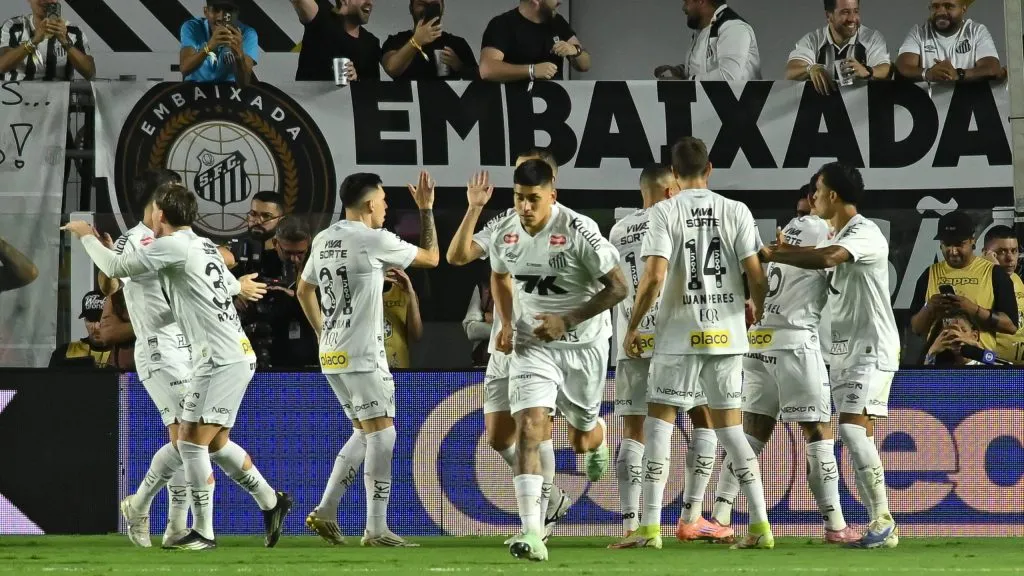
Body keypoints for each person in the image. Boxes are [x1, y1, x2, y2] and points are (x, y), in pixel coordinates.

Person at [63, 184, 291, 551]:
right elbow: (113, 280)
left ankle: (190, 527)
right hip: (185, 351)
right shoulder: (196, 243)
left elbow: (116, 267)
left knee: (190, 442)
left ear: (160, 213)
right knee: (207, 441)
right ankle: (266, 502)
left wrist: (85, 235)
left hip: (216, 355)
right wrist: (237, 286)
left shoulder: (170, 244)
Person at [615, 137, 771, 550]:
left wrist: (633, 326)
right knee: (732, 432)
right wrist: (754, 305)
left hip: (678, 336)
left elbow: (654, 276)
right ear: (710, 169)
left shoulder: (666, 211)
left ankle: (649, 528)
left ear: (674, 172)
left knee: (659, 427)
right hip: (726, 336)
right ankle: (760, 525)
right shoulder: (736, 210)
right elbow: (756, 273)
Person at [487, 159, 626, 562]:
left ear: (552, 194)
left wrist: (567, 320)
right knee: (530, 426)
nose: (525, 207)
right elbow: (499, 276)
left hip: (583, 346)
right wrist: (508, 323)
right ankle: (533, 532)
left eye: (533, 198)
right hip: (533, 345)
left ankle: (596, 433)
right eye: (519, 197)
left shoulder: (579, 231)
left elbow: (619, 288)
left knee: (580, 440)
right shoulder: (505, 231)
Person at [706, 188, 861, 544]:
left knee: (751, 433)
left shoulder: (790, 229)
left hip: (758, 342)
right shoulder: (824, 232)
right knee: (818, 433)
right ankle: (836, 525)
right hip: (795, 343)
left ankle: (720, 516)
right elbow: (835, 267)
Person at [760, 162, 900, 549]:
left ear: (833, 195)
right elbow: (819, 255)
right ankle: (881, 525)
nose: (814, 197)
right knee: (858, 434)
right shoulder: (835, 233)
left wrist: (777, 254)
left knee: (852, 430)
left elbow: (828, 258)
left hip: (872, 347)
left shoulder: (864, 232)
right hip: (841, 351)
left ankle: (884, 519)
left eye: (818, 191)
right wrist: (783, 252)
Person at [297, 172, 439, 547]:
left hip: (332, 354)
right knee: (383, 434)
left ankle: (327, 510)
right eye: (384, 200)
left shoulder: (324, 239)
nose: (386, 206)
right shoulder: (374, 239)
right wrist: (426, 210)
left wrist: (322, 332)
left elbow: (304, 290)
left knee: (364, 432)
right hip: (362, 354)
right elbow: (432, 258)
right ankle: (376, 529)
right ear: (369, 203)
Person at [445, 150, 574, 544]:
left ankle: (537, 524)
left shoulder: (570, 227)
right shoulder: (506, 222)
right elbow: (457, 256)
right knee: (499, 437)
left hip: (542, 345)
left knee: (535, 429)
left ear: (550, 183)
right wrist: (473, 209)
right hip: (505, 343)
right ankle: (551, 496)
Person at [606, 165, 734, 546]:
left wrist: (631, 327)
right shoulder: (676, 218)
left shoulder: (618, 230)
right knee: (704, 420)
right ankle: (691, 517)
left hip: (631, 340)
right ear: (668, 191)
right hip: (675, 336)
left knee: (634, 432)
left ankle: (632, 524)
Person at [94, 170, 196, 548]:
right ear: (158, 200)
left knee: (187, 440)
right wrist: (105, 261)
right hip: (158, 348)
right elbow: (110, 284)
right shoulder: (133, 240)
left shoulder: (179, 236)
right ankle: (160, 517)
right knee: (189, 436)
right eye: (174, 192)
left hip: (189, 347)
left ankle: (161, 519)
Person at [909, 211, 1017, 356]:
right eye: (947, 244)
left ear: (973, 240)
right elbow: (916, 329)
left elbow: (1011, 326)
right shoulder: (929, 274)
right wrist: (929, 308)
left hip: (978, 361)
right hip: (938, 361)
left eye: (959, 244)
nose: (953, 251)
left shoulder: (994, 273)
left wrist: (973, 309)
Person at [786, 0, 891, 96]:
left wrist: (867, 71)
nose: (852, 18)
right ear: (829, 16)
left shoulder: (871, 38)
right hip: (821, 107)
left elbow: (886, 69)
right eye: (845, 12)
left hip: (861, 108)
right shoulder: (812, 40)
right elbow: (790, 72)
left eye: (856, 11)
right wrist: (810, 69)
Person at [480, 0, 591, 83]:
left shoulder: (557, 22)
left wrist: (575, 50)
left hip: (553, 103)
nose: (560, 1)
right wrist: (531, 71)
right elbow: (487, 69)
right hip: (516, 104)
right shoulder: (502, 24)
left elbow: (585, 65)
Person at [895, 0, 1003, 83]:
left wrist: (958, 74)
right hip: (928, 103)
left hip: (967, 101)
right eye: (935, 6)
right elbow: (901, 67)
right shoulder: (919, 32)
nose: (941, 12)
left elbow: (992, 68)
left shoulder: (976, 31)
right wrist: (927, 73)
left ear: (963, 9)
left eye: (949, 6)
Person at [654, 0, 759, 81]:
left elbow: (729, 76)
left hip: (741, 103)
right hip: (712, 102)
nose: (683, 8)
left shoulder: (733, 27)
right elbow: (703, 69)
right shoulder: (703, 30)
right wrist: (679, 71)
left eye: (686, 1)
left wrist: (685, 83)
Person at [382, 0, 478, 81]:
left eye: (434, 5)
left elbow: (478, 82)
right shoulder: (397, 40)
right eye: (422, 4)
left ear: (442, 8)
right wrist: (416, 41)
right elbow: (391, 68)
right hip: (409, 98)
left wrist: (460, 66)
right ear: (411, 8)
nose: (428, 9)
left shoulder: (457, 43)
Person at [0, 0, 95, 81]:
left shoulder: (74, 31)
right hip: (17, 94)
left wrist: (65, 41)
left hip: (59, 94)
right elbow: (2, 66)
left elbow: (90, 73)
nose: (46, 1)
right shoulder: (13, 26)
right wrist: (33, 41)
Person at [292, 0, 380, 82]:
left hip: (347, 94)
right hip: (306, 93)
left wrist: (356, 81)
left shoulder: (371, 43)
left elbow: (372, 89)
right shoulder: (322, 16)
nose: (370, 2)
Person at [179, 0, 258, 86]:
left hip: (230, 89)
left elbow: (244, 83)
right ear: (206, 11)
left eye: (228, 10)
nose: (221, 17)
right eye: (216, 10)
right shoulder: (192, 27)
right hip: (195, 87)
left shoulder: (247, 33)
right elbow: (185, 69)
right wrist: (209, 47)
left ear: (236, 13)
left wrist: (239, 55)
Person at [983, 226, 1024, 363]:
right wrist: (995, 272)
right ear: (986, 254)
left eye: (1014, 251)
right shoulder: (979, 282)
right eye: (1001, 252)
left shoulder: (1016, 279)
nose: (1010, 258)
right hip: (992, 366)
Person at [48, 290, 113, 368]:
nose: (95, 326)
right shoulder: (63, 353)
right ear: (85, 320)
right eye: (90, 319)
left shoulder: (123, 354)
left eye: (100, 320)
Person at [382, 266, 422, 369]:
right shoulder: (362, 291)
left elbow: (416, 335)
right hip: (371, 368)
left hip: (398, 368)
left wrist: (410, 293)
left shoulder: (404, 291)